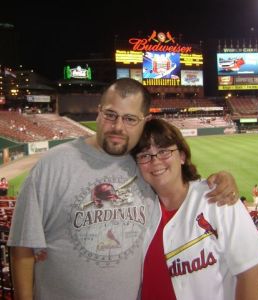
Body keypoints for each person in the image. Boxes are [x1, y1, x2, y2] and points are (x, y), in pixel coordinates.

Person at [8, 78, 239, 300]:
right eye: (110, 115)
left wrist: (221, 179)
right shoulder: (53, 165)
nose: (118, 127)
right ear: (99, 112)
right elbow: (22, 248)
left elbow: (180, 191)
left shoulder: (146, 165)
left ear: (145, 121)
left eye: (130, 119)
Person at [132, 119, 258, 300]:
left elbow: (252, 271)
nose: (155, 161)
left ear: (181, 156)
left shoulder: (217, 198)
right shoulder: (138, 210)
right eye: (144, 155)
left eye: (164, 151)